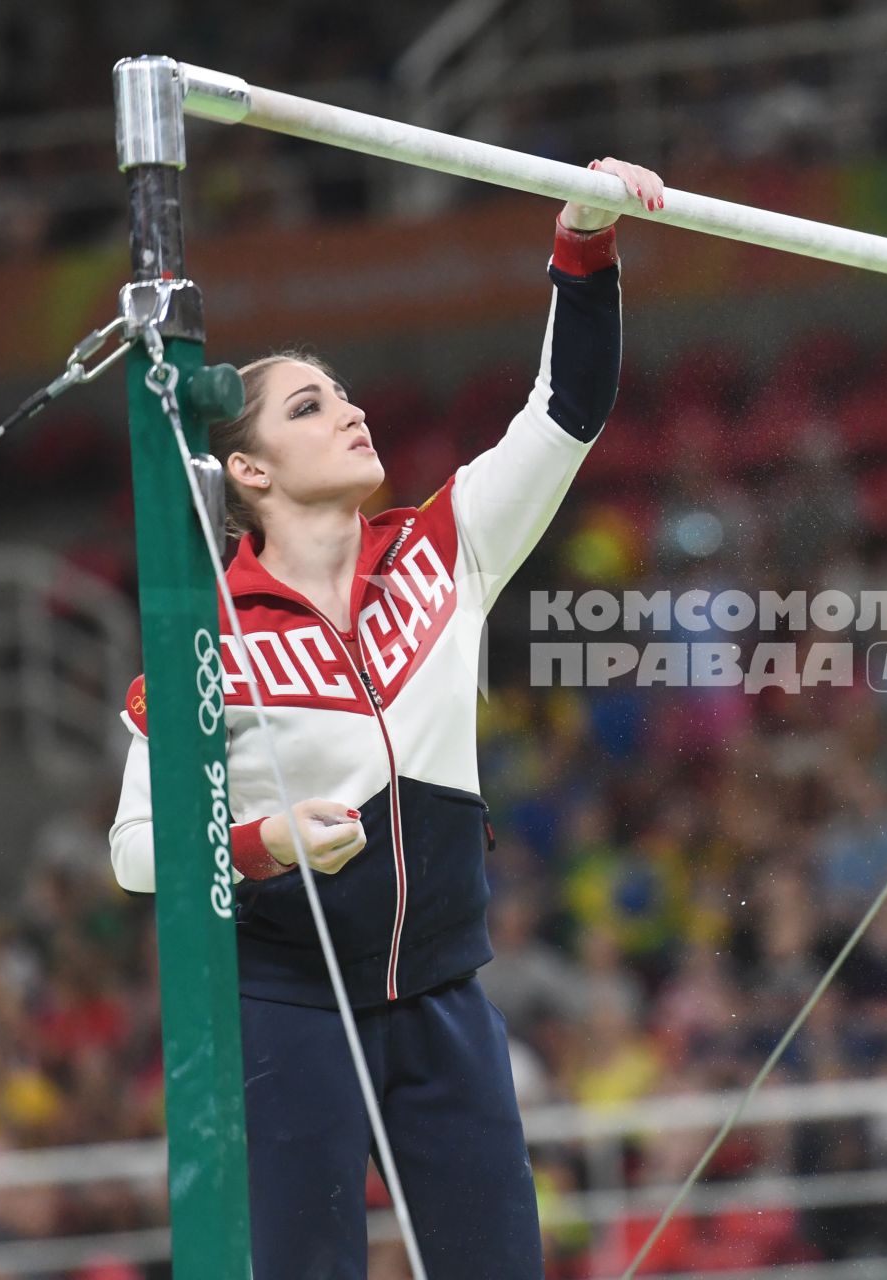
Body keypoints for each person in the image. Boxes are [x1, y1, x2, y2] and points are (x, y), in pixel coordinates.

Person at [106, 157, 666, 1280]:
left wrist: (583, 244)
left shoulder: (442, 549)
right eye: (312, 406)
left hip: (444, 997)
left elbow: (567, 414)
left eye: (348, 393)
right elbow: (132, 854)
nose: (352, 410)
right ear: (248, 469)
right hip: (286, 1006)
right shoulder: (201, 637)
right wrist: (269, 844)